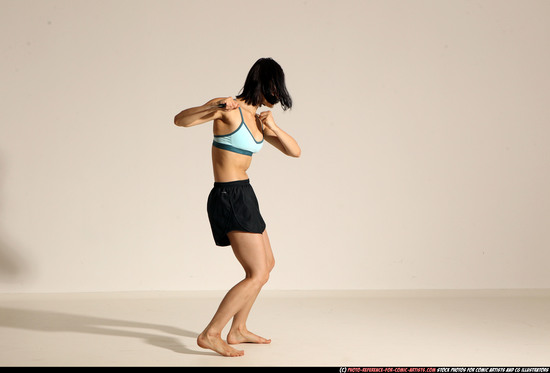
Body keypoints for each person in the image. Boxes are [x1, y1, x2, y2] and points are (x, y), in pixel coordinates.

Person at [173, 58, 301, 357]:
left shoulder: (257, 120)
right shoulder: (228, 110)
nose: (278, 97)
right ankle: (210, 333)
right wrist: (214, 105)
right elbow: (180, 120)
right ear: (266, 85)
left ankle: (238, 329)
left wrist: (273, 126)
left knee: (267, 265)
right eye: (276, 90)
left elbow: (294, 151)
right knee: (256, 273)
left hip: (245, 193)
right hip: (228, 195)